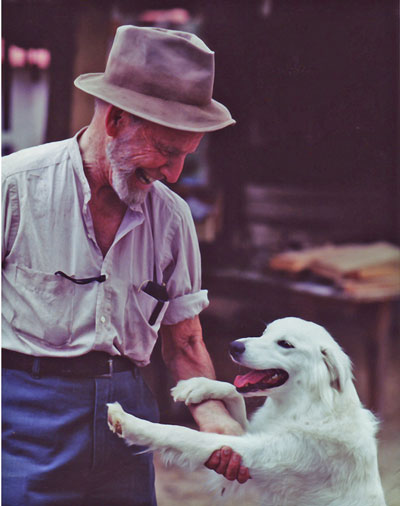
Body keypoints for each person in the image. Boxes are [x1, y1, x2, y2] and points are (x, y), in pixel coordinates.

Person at [2, 25, 249, 506]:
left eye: (186, 157)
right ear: (115, 119)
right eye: (166, 150)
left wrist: (218, 425)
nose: (173, 174)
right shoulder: (15, 188)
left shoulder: (172, 219)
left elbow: (186, 342)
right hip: (22, 414)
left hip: (129, 419)